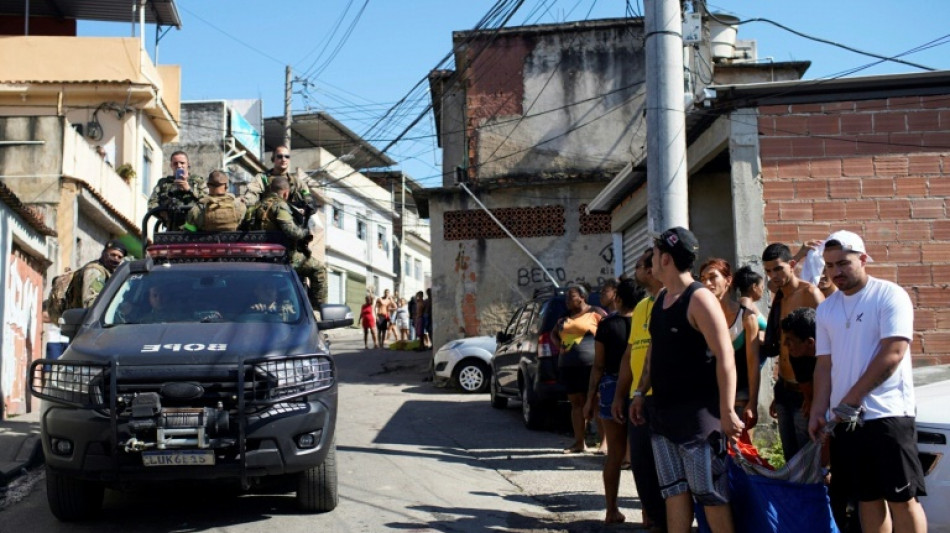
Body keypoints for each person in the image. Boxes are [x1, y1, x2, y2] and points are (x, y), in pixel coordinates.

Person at [809, 230, 927, 533]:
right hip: (845, 420)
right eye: (830, 265)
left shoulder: (889, 295)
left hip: (887, 413)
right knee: (867, 498)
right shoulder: (827, 308)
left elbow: (894, 352)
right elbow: (824, 364)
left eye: (843, 264)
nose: (836, 272)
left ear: (863, 259)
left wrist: (851, 400)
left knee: (903, 498)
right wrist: (818, 410)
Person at [629, 227, 742, 533]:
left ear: (665, 258)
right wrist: (640, 392)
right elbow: (654, 350)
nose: (650, 261)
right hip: (664, 418)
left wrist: (728, 410)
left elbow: (725, 356)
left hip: (699, 421)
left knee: (710, 494)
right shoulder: (662, 297)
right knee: (673, 492)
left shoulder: (700, 298)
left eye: (653, 254)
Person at [613, 248, 666, 531]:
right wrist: (622, 395)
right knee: (643, 471)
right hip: (639, 400)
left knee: (668, 474)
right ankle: (655, 521)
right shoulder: (644, 306)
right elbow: (631, 354)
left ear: (651, 269)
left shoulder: (675, 302)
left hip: (665, 400)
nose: (635, 272)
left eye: (638, 266)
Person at [761, 242, 824, 461]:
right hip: (784, 388)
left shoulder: (810, 293)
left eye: (778, 269)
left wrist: (814, 395)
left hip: (805, 390)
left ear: (792, 265)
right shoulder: (780, 296)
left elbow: (823, 348)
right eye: (768, 271)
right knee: (790, 458)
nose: (773, 275)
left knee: (808, 460)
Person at [584, 278, 636, 525]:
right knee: (642, 454)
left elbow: (598, 365)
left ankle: (611, 509)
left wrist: (589, 399)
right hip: (641, 388)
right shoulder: (646, 322)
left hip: (611, 386)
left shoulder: (607, 325)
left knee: (614, 453)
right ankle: (648, 513)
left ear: (619, 298)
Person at [699, 258, 765, 430]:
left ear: (728, 281)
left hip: (740, 398)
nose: (707, 283)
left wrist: (753, 401)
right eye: (703, 279)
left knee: (740, 452)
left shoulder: (746, 317)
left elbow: (753, 362)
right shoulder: (700, 318)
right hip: (710, 398)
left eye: (713, 277)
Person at [246, 176, 326, 310]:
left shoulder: (257, 206)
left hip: (259, 256)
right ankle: (317, 309)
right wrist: (306, 232)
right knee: (319, 269)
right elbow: (291, 231)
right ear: (285, 193)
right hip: (283, 257)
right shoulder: (280, 205)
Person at [555, 283, 603, 454]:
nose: (568, 300)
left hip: (592, 366)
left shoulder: (595, 312)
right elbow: (554, 334)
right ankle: (579, 442)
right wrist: (561, 347)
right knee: (576, 404)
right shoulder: (564, 316)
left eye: (572, 295)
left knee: (597, 402)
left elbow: (609, 330)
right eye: (567, 296)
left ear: (583, 297)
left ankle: (604, 443)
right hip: (569, 366)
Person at [244, 145, 314, 217]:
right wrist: (246, 202)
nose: (283, 159)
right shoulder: (262, 178)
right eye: (280, 156)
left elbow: (309, 201)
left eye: (287, 156)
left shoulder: (297, 182)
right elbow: (252, 194)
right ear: (273, 159)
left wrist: (306, 209)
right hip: (267, 221)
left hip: (291, 222)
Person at [148, 150, 208, 229]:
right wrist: (164, 214)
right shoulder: (163, 183)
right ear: (171, 165)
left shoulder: (197, 181)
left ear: (188, 164)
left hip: (195, 228)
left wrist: (189, 189)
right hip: (172, 229)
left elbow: (207, 201)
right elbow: (151, 204)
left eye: (182, 163)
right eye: (175, 163)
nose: (179, 166)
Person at [70, 240, 127, 309]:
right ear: (104, 253)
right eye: (113, 255)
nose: (115, 259)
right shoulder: (94, 271)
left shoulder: (110, 272)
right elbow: (91, 304)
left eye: (119, 257)